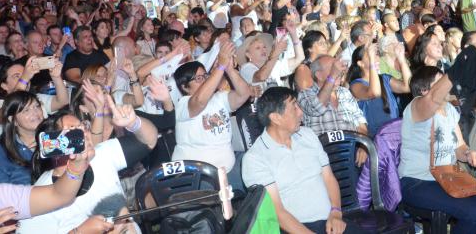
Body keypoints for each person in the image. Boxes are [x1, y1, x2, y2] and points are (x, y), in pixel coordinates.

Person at [18, 101, 157, 234]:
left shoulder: (102, 155)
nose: (85, 134)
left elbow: (148, 141)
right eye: (74, 132)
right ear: (55, 148)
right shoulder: (41, 196)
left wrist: (134, 123)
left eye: (83, 127)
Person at [242, 87, 365, 234]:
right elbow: (278, 213)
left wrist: (336, 212)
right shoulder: (255, 158)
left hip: (330, 222)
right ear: (276, 118)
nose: (301, 112)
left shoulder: (307, 135)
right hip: (294, 229)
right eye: (294, 107)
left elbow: (329, 178)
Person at [399, 66, 476, 234]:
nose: (449, 84)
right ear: (424, 90)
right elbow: (432, 99)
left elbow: (460, 147)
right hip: (417, 181)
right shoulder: (416, 107)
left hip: (448, 176)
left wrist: (469, 153)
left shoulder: (449, 109)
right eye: (441, 81)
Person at [171, 43, 255, 191]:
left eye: (205, 76)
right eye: (198, 78)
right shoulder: (183, 104)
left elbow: (244, 94)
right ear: (184, 87)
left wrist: (228, 68)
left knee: (257, 164)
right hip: (198, 178)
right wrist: (219, 68)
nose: (204, 80)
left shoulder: (218, 98)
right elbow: (199, 100)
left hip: (229, 170)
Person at [298, 55, 368, 138]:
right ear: (319, 75)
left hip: (351, 146)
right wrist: (333, 75)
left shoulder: (345, 92)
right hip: (324, 149)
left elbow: (360, 123)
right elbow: (316, 109)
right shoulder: (305, 94)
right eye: (333, 67)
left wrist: (362, 147)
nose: (338, 70)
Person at [348, 44, 411, 136]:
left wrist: (401, 59)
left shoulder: (384, 78)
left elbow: (408, 87)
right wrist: (372, 62)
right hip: (376, 137)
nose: (376, 58)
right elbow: (374, 92)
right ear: (360, 63)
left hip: (395, 132)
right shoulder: (356, 84)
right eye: (370, 55)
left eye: (376, 55)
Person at [0, 91, 43, 184]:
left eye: (37, 106)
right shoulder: (0, 151)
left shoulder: (54, 136)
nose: (35, 113)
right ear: (13, 120)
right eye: (26, 110)